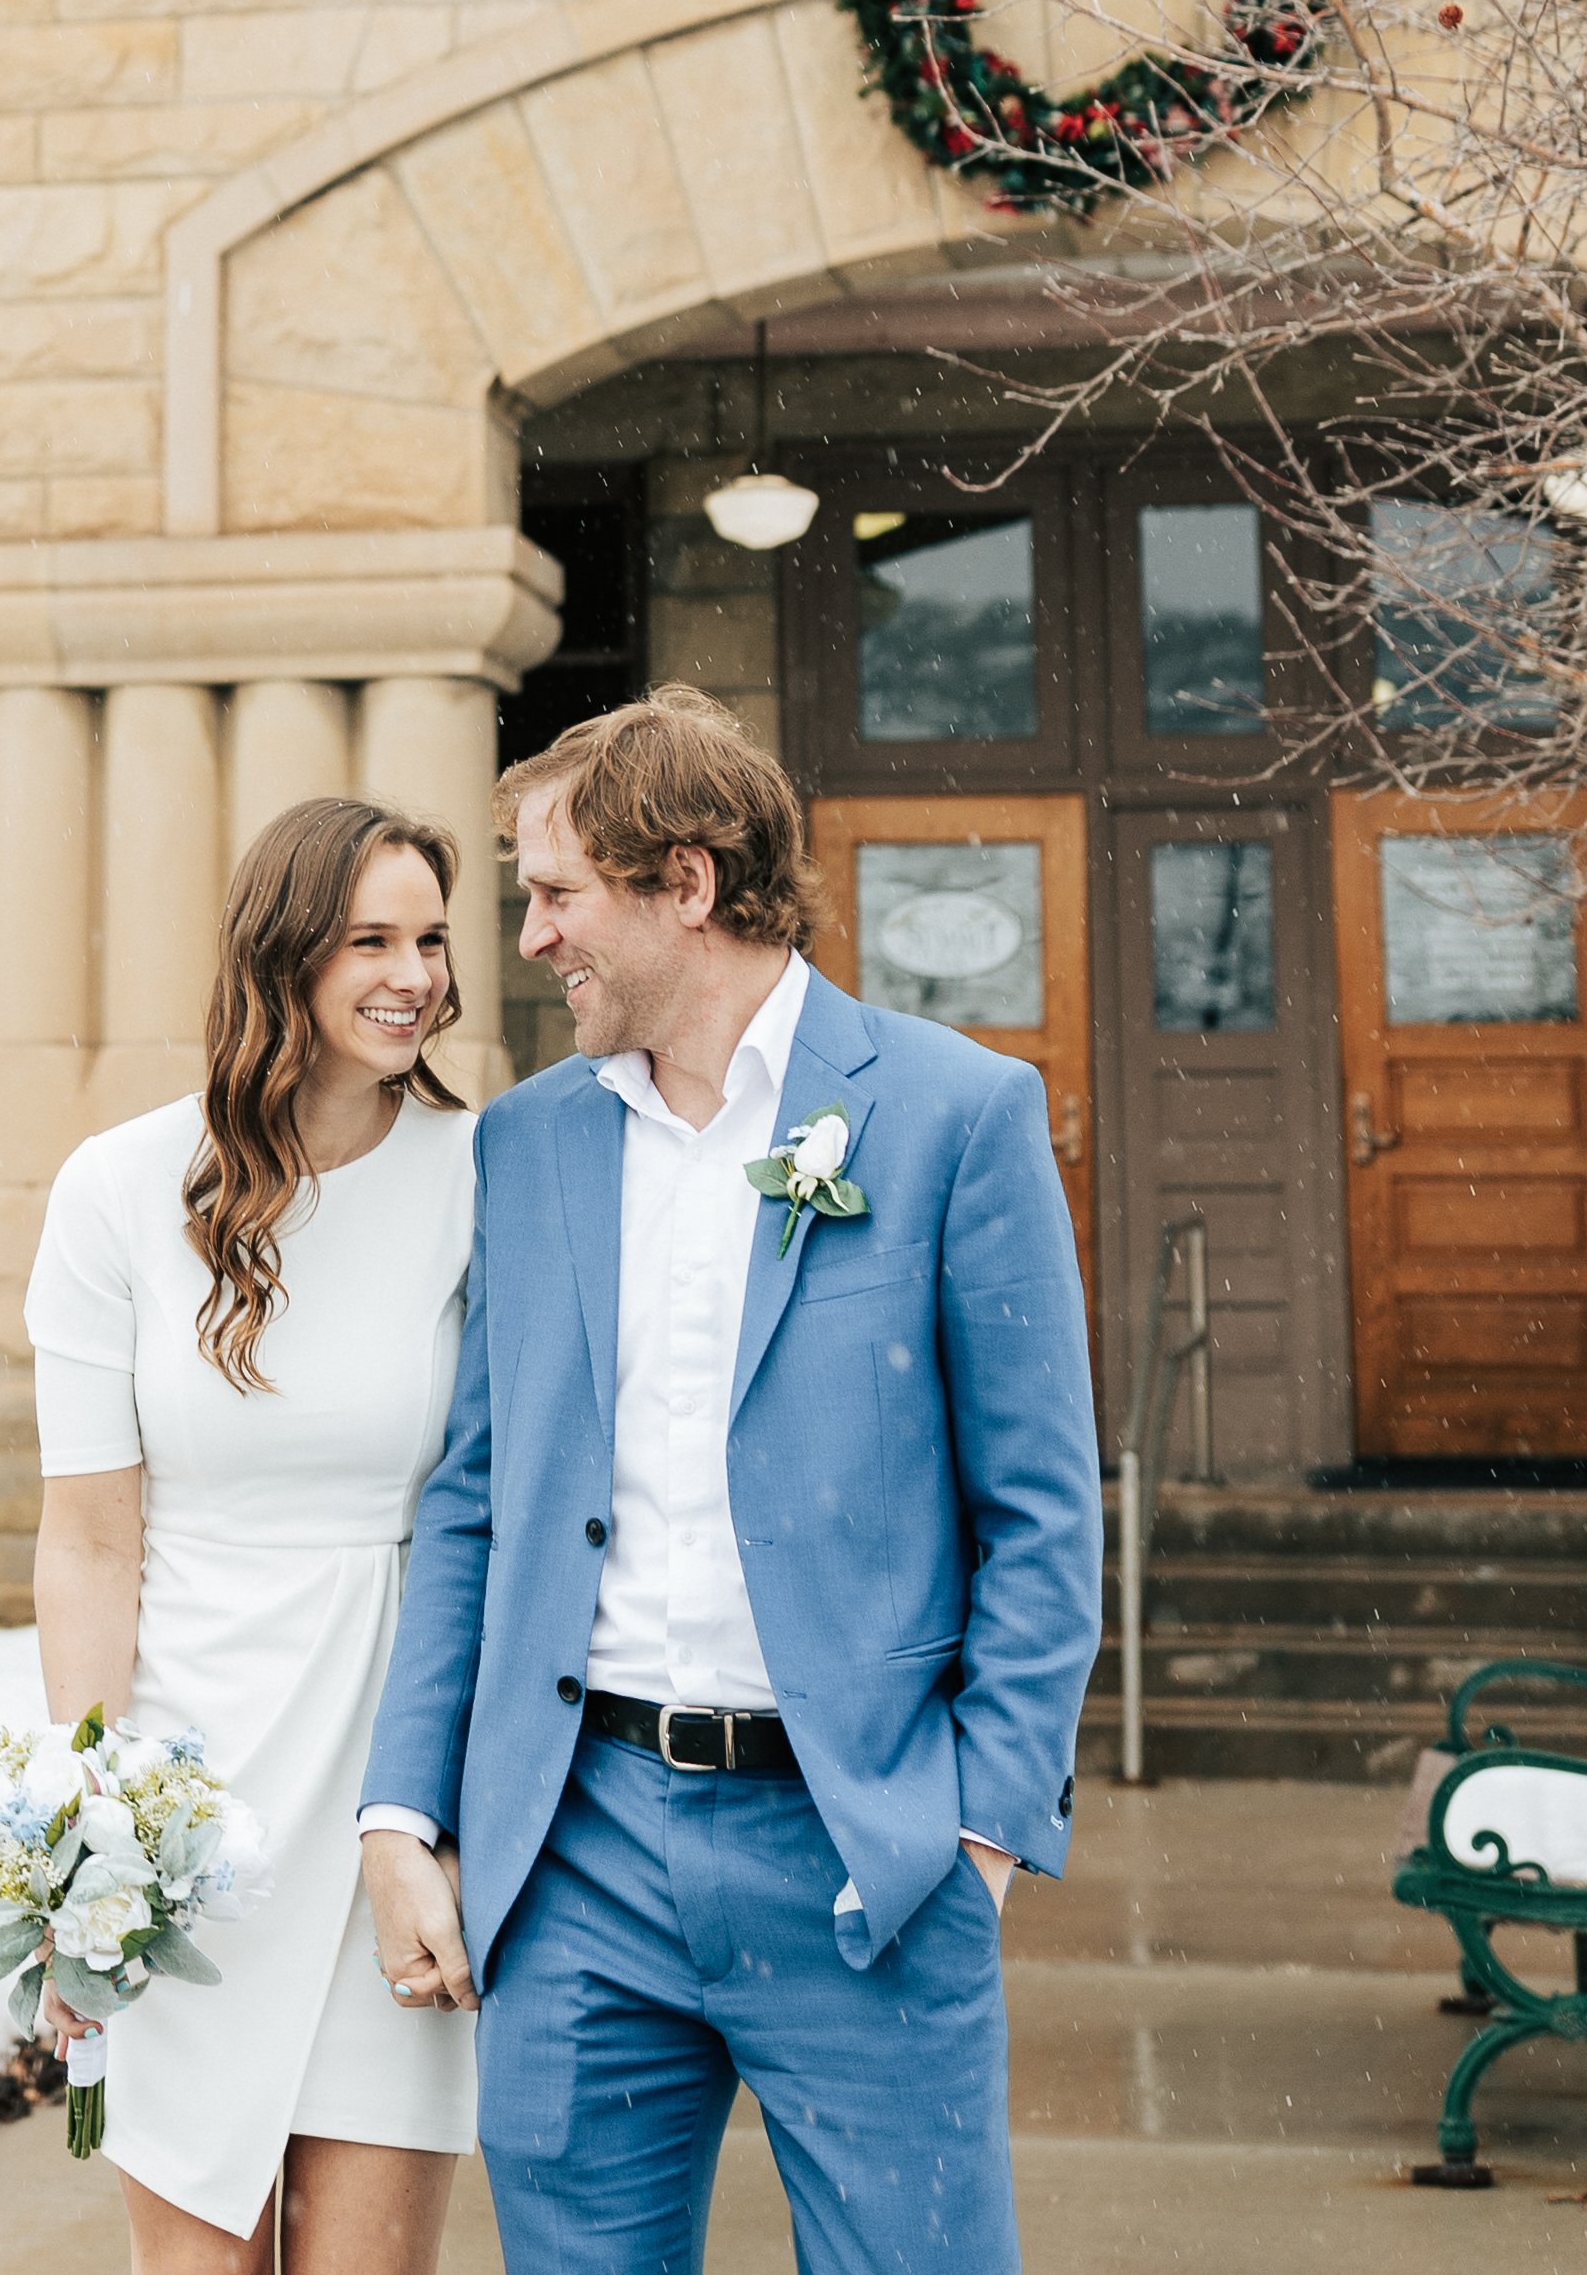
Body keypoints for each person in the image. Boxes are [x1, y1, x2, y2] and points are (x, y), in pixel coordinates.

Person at [359, 687, 1104, 2274]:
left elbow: (1039, 1511)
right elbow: (477, 1501)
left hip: (861, 1848)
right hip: (579, 1855)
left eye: (556, 895)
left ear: (683, 884)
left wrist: (975, 1824)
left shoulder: (953, 1114)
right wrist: (405, 1808)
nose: (533, 937)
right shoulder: (530, 1141)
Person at [26, 798, 479, 2274]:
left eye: (429, 936)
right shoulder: (115, 1188)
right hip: (192, 1802)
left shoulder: (491, 1176)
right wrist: (87, 1832)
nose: (412, 972)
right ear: (280, 955)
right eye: (368, 938)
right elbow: (91, 1542)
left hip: (398, 1799)